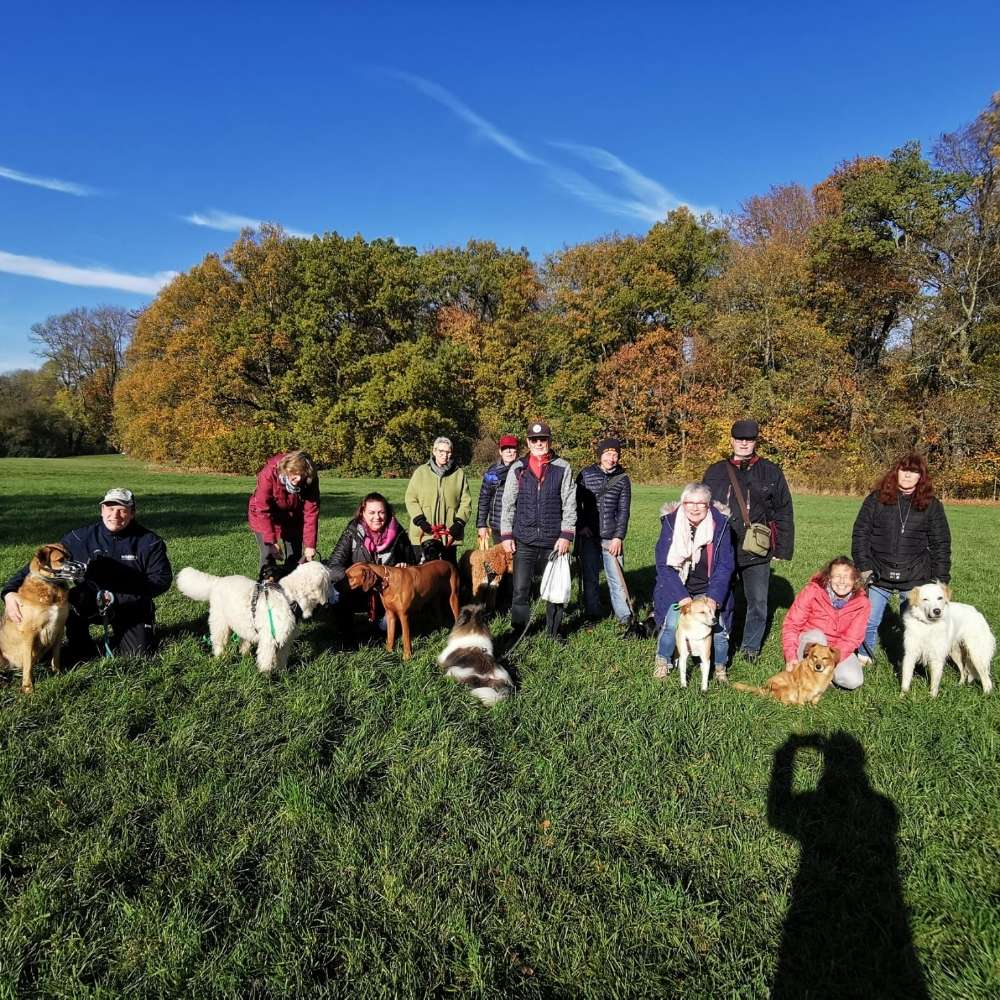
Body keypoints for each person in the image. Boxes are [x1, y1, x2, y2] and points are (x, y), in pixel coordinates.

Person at [1, 487, 172, 661]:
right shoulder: (79, 538)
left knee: (137, 656)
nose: (115, 515)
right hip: (90, 600)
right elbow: (39, 564)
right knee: (74, 598)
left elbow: (161, 580)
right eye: (110, 508)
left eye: (122, 510)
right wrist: (9, 592)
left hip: (131, 606)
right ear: (102, 510)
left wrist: (119, 597)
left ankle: (134, 632)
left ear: (132, 513)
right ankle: (80, 645)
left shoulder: (150, 542)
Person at [703, 419, 794, 663]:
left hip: (757, 547)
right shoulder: (715, 471)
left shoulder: (770, 471)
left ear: (755, 442)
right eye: (739, 439)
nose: (744, 443)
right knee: (719, 597)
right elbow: (701, 508)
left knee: (758, 602)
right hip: (722, 546)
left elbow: (784, 510)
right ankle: (718, 640)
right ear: (731, 440)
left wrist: (782, 547)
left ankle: (750, 648)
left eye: (749, 439)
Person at [851, 452, 951, 663]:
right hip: (878, 573)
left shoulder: (932, 505)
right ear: (896, 472)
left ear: (920, 477)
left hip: (915, 576)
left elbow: (941, 544)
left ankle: (912, 659)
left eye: (913, 472)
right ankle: (864, 657)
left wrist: (940, 580)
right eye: (904, 470)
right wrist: (865, 568)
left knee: (916, 623)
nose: (907, 475)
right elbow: (860, 534)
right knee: (869, 620)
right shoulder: (875, 499)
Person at [500, 420, 576, 641]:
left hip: (554, 541)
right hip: (524, 538)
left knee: (556, 591)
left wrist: (566, 534)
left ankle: (554, 632)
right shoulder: (518, 467)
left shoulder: (563, 467)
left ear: (549, 441)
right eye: (534, 440)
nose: (539, 443)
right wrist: (506, 534)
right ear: (528, 442)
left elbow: (569, 503)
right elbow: (508, 503)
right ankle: (519, 630)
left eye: (543, 439)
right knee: (521, 588)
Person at [653, 482, 735, 679]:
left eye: (701, 503)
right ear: (683, 503)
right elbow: (664, 566)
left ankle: (720, 668)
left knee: (718, 628)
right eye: (690, 502)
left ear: (709, 505)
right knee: (671, 624)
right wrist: (681, 597)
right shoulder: (671, 524)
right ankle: (662, 660)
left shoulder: (719, 526)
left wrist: (714, 598)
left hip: (708, 587)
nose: (695, 507)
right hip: (677, 586)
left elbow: (725, 566)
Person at [325, 493, 416, 641]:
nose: (377, 517)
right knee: (338, 592)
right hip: (358, 589)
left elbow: (413, 565)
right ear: (363, 513)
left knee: (386, 627)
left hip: (387, 592)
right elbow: (333, 566)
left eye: (381, 512)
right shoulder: (352, 532)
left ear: (387, 512)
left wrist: (405, 567)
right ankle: (346, 633)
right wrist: (358, 577)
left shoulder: (398, 533)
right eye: (371, 513)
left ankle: (382, 627)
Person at [781, 556, 871, 690]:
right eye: (837, 576)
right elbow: (791, 625)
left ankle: (823, 676)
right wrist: (790, 657)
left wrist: (832, 659)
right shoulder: (812, 591)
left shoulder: (862, 603)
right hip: (810, 641)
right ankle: (805, 674)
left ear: (855, 579)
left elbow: (852, 639)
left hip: (836, 649)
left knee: (853, 680)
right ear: (829, 578)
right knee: (817, 636)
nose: (842, 581)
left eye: (847, 576)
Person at [576, 437, 633, 628]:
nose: (612, 458)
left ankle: (624, 617)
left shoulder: (623, 479)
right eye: (608, 453)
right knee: (590, 577)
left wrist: (619, 537)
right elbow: (576, 504)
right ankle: (592, 613)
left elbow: (624, 510)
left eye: (616, 454)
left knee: (617, 579)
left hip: (611, 538)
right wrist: (581, 525)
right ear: (600, 455)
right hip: (589, 535)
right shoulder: (585, 474)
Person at [248, 450, 320, 578]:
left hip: (293, 516)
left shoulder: (310, 479)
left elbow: (311, 512)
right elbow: (263, 510)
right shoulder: (269, 473)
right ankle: (265, 589)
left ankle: (290, 589)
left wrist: (310, 545)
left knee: (295, 556)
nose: (298, 480)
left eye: (302, 476)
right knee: (268, 554)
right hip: (263, 515)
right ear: (287, 468)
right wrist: (271, 541)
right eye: (295, 474)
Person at [404, 437, 472, 563]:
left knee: (447, 573)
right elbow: (410, 498)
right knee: (422, 575)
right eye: (441, 451)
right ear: (434, 451)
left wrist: (459, 522)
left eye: (448, 452)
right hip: (424, 532)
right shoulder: (420, 472)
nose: (444, 455)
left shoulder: (459, 474)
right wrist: (420, 520)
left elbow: (465, 501)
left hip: (448, 534)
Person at [477, 434, 519, 547]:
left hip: (519, 527)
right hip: (498, 525)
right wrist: (481, 524)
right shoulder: (492, 472)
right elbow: (484, 498)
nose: (509, 451)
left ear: (517, 450)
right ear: (500, 451)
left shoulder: (523, 470)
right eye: (505, 448)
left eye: (512, 448)